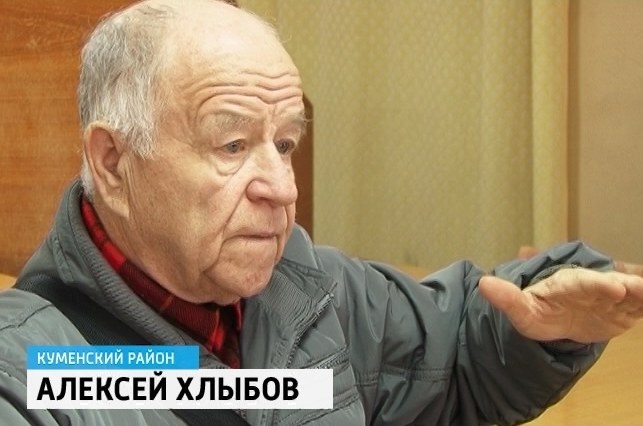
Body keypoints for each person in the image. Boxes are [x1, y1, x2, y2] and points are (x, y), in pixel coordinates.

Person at [0, 0, 642, 425]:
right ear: (113, 162)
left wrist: (543, 324)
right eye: (232, 145)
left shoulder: (308, 287)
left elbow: (452, 351)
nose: (282, 189)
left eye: (284, 145)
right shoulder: (33, 373)